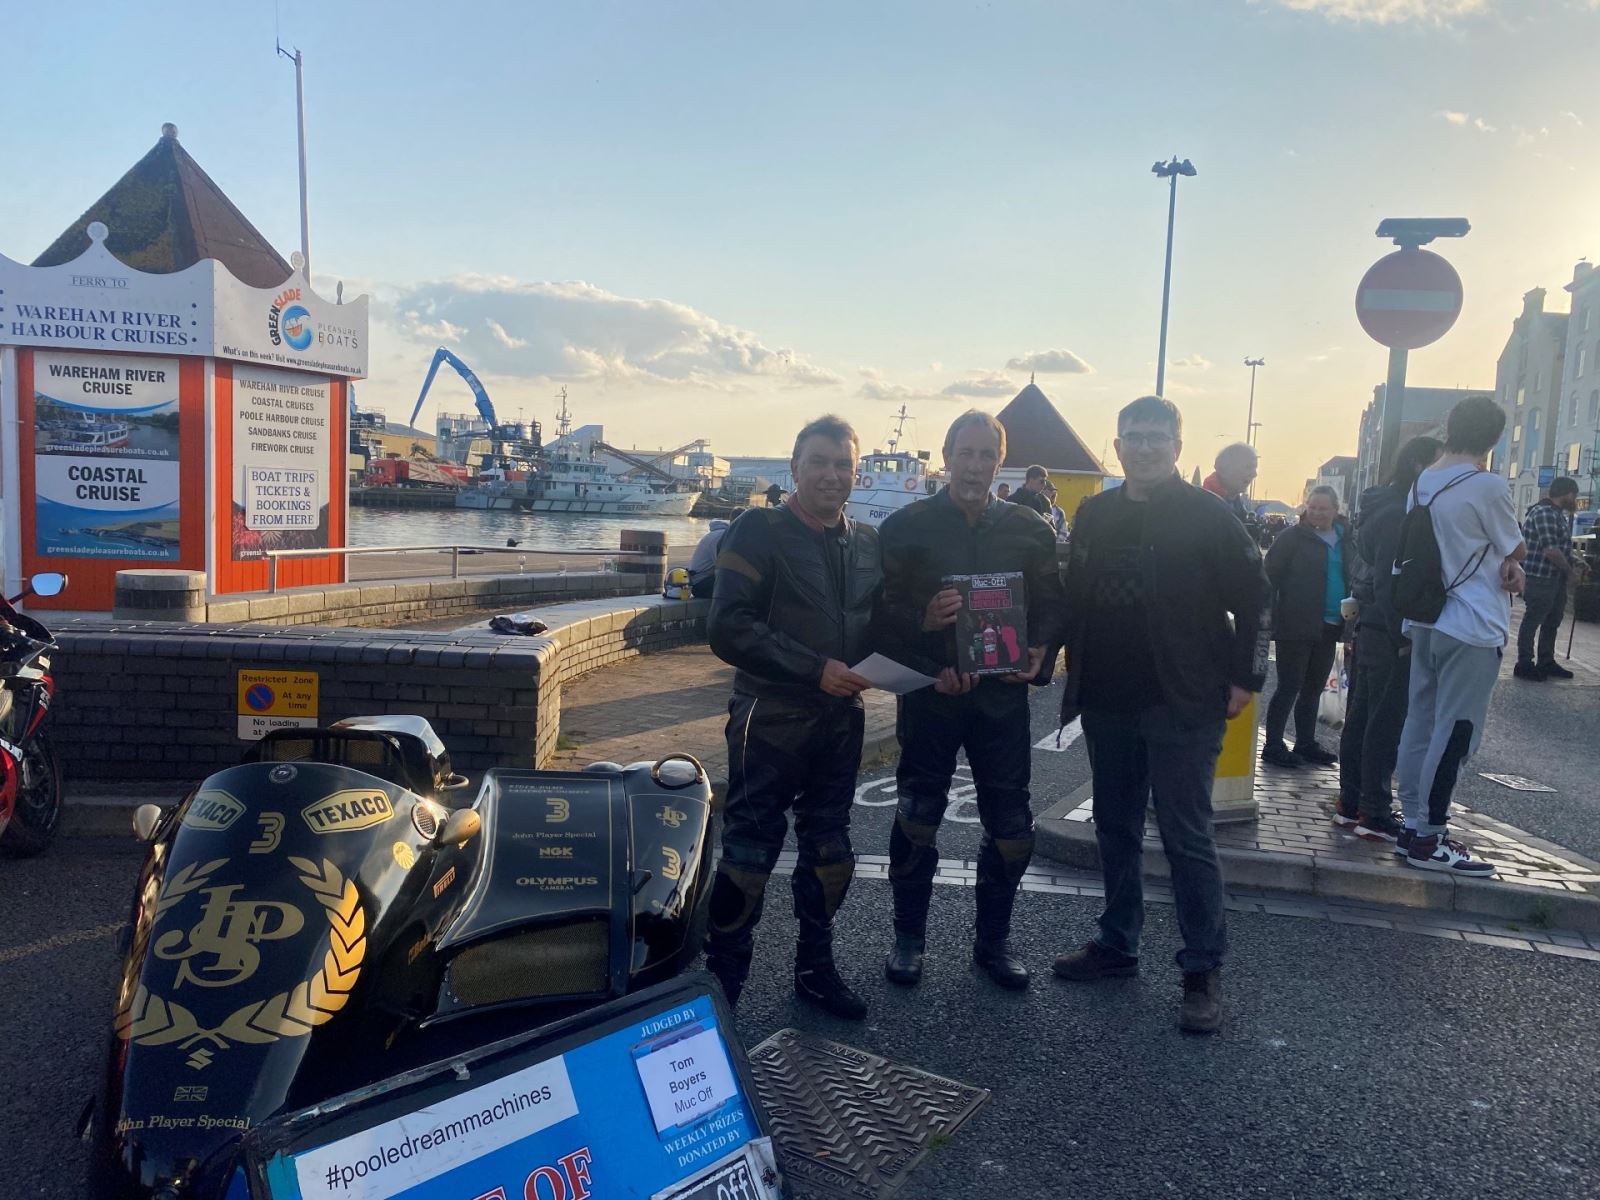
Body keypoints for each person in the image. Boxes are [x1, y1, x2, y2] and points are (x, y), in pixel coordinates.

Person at [1050, 395, 1267, 1035]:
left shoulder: (1208, 515)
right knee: (1115, 828)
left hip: (1183, 698)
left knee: (1185, 836)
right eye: (1132, 437)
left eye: (1155, 437)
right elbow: (1074, 598)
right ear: (1116, 447)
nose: (1143, 448)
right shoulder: (1093, 515)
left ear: (1176, 445)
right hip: (1109, 699)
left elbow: (1257, 598)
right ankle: (1118, 943)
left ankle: (1202, 969)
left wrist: (1245, 677)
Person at [876, 411, 1065, 990]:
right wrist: (921, 619)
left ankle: (993, 943)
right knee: (917, 817)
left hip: (1001, 700)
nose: (976, 465)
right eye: (966, 453)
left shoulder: (1031, 528)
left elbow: (1055, 606)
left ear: (999, 461)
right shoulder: (904, 528)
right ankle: (908, 939)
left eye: (987, 454)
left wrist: (1039, 651)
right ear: (946, 455)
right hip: (933, 694)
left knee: (1012, 826)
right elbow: (874, 618)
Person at [704, 415, 881, 1017]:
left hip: (841, 717)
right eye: (821, 463)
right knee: (749, 855)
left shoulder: (866, 543)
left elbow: (878, 624)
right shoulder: (757, 528)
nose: (833, 475)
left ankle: (815, 967)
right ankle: (722, 986)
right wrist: (812, 668)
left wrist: (934, 628)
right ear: (795, 467)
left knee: (830, 852)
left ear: (856, 472)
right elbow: (727, 627)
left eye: (844, 465)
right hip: (770, 715)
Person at [1395, 395, 1526, 875]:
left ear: (1450, 428)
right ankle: (1430, 839)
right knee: (1456, 732)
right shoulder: (1486, 485)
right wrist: (1512, 564)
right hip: (1471, 624)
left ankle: (1411, 824)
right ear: (1491, 440)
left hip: (1426, 619)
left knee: (1421, 723)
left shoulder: (1422, 482)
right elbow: (1515, 545)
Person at [1336, 436, 1442, 843]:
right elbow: (1388, 579)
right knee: (1384, 722)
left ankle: (1350, 803)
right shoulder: (1399, 513)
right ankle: (1375, 811)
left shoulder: (1377, 507)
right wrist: (1404, 632)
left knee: (1362, 719)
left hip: (1369, 626)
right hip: (1388, 630)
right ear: (1417, 464)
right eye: (1436, 463)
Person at [1260, 486, 1350, 768]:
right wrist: (1270, 616)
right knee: (1289, 685)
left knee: (1313, 687)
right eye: (1312, 507)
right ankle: (1273, 744)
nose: (1317, 513)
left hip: (1332, 623)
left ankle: (1305, 742)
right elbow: (1268, 577)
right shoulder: (1291, 538)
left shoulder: (1346, 539)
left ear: (1336, 510)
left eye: (1323, 508)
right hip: (1295, 623)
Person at [1514, 476, 1581, 681]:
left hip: (1554, 578)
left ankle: (1546, 659)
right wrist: (1570, 571)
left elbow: (1560, 547)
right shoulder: (1545, 513)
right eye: (1574, 495)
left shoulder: (1556, 514)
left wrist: (1576, 561)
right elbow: (1550, 550)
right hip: (1540, 576)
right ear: (1567, 493)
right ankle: (1524, 662)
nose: (1575, 499)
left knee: (1552, 619)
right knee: (1534, 618)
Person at [1202, 443, 1258, 524]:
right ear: (1223, 468)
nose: (1254, 474)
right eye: (1248, 467)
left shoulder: (1236, 504)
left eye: (1255, 468)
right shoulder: (1205, 506)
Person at [687, 518, 730, 598]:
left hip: (697, 581)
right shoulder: (721, 536)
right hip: (701, 584)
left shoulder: (714, 534)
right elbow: (722, 566)